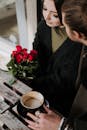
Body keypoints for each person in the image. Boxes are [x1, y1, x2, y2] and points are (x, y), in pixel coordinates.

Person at [25, 0, 87, 130]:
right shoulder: (43, 27)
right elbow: (37, 58)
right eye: (44, 8)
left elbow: (70, 82)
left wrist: (62, 125)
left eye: (55, 15)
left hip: (63, 105)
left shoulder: (80, 47)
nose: (46, 17)